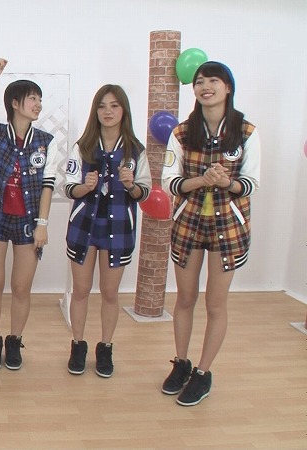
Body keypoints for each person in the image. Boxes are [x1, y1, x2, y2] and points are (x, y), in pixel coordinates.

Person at [161, 61, 260, 406]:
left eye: (213, 80)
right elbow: (169, 181)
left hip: (228, 227)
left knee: (215, 303)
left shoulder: (246, 131)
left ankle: (203, 372)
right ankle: (181, 363)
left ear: (227, 87)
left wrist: (227, 183)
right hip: (188, 224)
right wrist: (201, 181)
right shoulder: (182, 132)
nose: (205, 87)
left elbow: (251, 183)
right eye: (200, 81)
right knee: (185, 298)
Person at [0, 59, 60, 371]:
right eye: (32, 98)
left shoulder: (46, 142)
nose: (38, 104)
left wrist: (42, 225)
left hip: (28, 221)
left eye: (39, 99)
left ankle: (15, 340)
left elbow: (48, 185)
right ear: (15, 104)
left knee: (22, 288)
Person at [63, 85, 151, 378]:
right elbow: (68, 187)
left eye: (114, 105)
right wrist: (84, 187)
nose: (108, 111)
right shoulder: (83, 147)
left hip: (118, 229)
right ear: (95, 111)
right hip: (84, 227)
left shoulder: (136, 150)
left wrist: (131, 185)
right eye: (102, 106)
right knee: (81, 290)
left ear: (123, 110)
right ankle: (78, 345)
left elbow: (145, 192)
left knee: (110, 293)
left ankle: (106, 347)